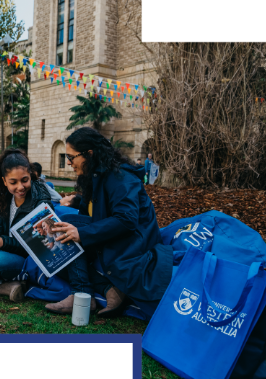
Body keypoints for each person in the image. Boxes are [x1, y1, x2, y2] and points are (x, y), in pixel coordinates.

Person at [45, 127, 172, 317]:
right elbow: (97, 210)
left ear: (89, 154)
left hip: (135, 241)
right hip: (115, 235)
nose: (69, 163)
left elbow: (126, 219)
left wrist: (82, 234)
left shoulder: (121, 177)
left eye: (71, 157)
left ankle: (82, 294)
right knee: (56, 244)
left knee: (67, 226)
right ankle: (109, 289)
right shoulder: (95, 175)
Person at [0, 148, 53, 302]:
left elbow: (38, 245)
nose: (20, 187)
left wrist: (2, 242)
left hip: (29, 259)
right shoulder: (5, 197)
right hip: (9, 250)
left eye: (25, 180)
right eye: (13, 182)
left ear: (31, 176)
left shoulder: (41, 201)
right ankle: (0, 285)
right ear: (4, 181)